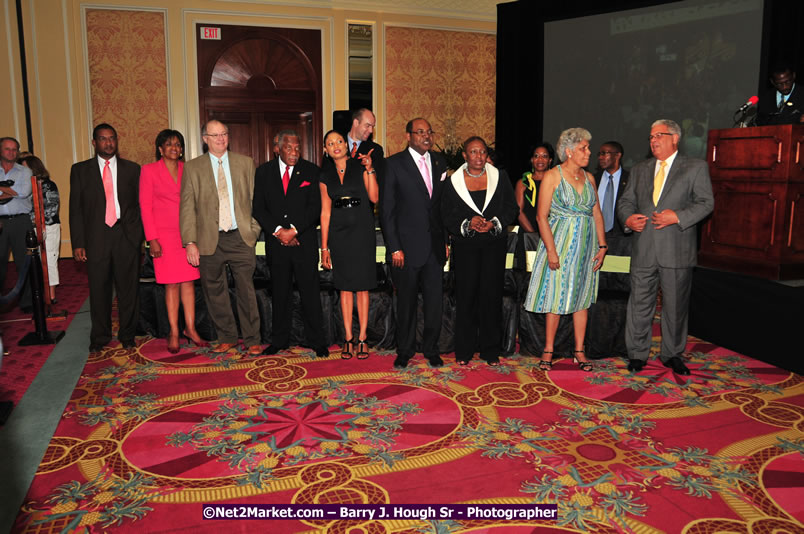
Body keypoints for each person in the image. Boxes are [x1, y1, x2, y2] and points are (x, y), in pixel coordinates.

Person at [617, 119, 714, 376]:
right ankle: (637, 354)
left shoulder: (695, 167)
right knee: (639, 304)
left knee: (675, 307)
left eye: (659, 135)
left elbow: (706, 203)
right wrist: (628, 219)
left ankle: (672, 354)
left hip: (677, 249)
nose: (653, 140)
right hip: (644, 247)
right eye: (651, 137)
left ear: (675, 138)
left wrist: (677, 217)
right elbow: (625, 202)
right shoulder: (640, 169)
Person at [523, 128, 607, 372]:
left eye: (588, 148)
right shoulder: (553, 176)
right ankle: (548, 350)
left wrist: (602, 246)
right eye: (584, 148)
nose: (589, 152)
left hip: (586, 246)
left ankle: (579, 350)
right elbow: (541, 217)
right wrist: (551, 251)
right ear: (569, 151)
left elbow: (597, 214)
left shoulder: (590, 178)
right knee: (556, 297)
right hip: (559, 244)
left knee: (582, 297)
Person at [180, 120, 262, 355]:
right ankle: (227, 337)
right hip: (208, 239)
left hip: (240, 237)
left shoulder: (245, 163)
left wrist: (253, 230)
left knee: (246, 290)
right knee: (215, 292)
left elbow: (256, 200)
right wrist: (190, 242)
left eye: (224, 133)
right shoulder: (193, 168)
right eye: (214, 135)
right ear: (205, 139)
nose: (220, 139)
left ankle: (252, 339)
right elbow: (187, 207)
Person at [441, 136, 518, 365]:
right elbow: (446, 213)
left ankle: (490, 350)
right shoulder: (452, 182)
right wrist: (467, 222)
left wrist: (494, 222)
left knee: (491, 297)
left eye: (482, 152)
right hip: (466, 247)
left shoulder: (500, 176)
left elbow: (511, 208)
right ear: (465, 155)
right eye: (473, 152)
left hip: (494, 246)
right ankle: (464, 351)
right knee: (466, 297)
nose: (478, 156)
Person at [253, 130, 328, 358]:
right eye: (288, 148)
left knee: (310, 293)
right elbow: (258, 208)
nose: (294, 152)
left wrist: (294, 230)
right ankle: (279, 341)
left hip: (304, 243)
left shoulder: (312, 171)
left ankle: (317, 341)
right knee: (280, 293)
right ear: (277, 148)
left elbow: (315, 208)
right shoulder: (263, 172)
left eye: (297, 148)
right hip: (277, 245)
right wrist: (279, 232)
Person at [381, 118, 448, 369]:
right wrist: (394, 247)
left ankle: (431, 349)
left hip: (434, 247)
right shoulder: (393, 164)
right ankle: (405, 350)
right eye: (420, 132)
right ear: (408, 136)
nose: (426, 136)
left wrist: (445, 240)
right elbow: (387, 210)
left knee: (434, 303)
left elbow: (441, 207)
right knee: (406, 303)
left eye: (429, 132)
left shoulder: (440, 162)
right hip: (406, 249)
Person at [69, 124, 143, 351]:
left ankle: (128, 335)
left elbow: (140, 205)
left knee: (128, 290)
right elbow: (76, 209)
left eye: (112, 138)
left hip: (125, 236)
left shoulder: (133, 169)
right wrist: (78, 243)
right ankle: (100, 337)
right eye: (103, 139)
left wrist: (138, 236)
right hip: (96, 237)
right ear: (94, 143)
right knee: (99, 290)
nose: (108, 143)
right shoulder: (80, 170)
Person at [140, 129, 206, 354]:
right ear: (160, 149)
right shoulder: (149, 171)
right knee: (171, 284)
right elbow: (145, 207)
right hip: (163, 237)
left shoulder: (188, 169)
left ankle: (191, 329)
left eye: (178, 144)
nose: (174, 148)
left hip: (187, 235)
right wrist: (152, 239)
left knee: (189, 282)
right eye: (169, 144)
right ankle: (174, 331)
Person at [319, 130, 378, 359]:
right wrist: (324, 247)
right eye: (330, 143)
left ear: (346, 144)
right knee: (344, 287)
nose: (336, 145)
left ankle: (362, 338)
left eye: (339, 141)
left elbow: (374, 198)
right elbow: (325, 213)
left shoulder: (360, 166)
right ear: (326, 150)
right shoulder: (324, 175)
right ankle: (348, 338)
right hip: (339, 234)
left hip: (362, 232)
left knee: (362, 287)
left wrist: (370, 169)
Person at [19, 155, 60, 303]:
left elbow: (52, 209)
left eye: (25, 168)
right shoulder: (23, 187)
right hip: (29, 229)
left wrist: (29, 218)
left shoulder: (49, 185)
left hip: (48, 227)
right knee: (32, 262)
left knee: (49, 260)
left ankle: (51, 295)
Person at [0, 137, 34, 312]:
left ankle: (27, 302)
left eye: (14, 149)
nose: (11, 152)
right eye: (7, 149)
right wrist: (11, 191)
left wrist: (1, 188)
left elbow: (24, 192)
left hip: (21, 221)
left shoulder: (25, 171)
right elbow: (16, 192)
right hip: (0, 222)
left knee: (24, 261)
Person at [515, 143, 554, 233]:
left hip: (552, 233)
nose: (540, 159)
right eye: (536, 156)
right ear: (532, 160)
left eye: (544, 156)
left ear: (550, 160)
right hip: (527, 234)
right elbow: (519, 212)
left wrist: (547, 235)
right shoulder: (523, 182)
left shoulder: (556, 182)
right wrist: (533, 235)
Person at [595, 141, 630, 239]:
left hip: (622, 239)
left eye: (604, 153)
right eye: (599, 154)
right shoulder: (593, 179)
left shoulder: (630, 179)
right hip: (595, 237)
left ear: (617, 155)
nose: (600, 157)